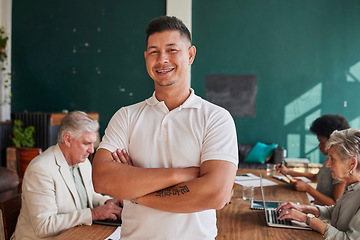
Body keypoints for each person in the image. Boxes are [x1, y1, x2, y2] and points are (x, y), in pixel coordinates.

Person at [92, 16, 238, 240]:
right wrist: (184, 174)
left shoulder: (216, 118)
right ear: (145, 58)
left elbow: (216, 194)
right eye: (153, 52)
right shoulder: (126, 116)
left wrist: (134, 194)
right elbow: (102, 179)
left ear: (190, 55)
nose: (162, 60)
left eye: (171, 50)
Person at [12, 111, 122, 239]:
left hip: (74, 235)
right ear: (68, 139)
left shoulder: (83, 162)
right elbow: (44, 226)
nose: (92, 150)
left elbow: (88, 197)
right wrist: (93, 214)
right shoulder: (40, 169)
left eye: (93, 143)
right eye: (86, 143)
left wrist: (110, 202)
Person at [276, 128, 360, 239]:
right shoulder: (351, 186)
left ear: (352, 164)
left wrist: (306, 219)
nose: (327, 164)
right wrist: (302, 208)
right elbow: (335, 212)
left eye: (332, 159)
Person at [276, 114, 349, 205]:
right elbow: (316, 177)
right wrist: (288, 172)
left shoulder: (340, 167)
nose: (319, 146)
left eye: (321, 142)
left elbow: (334, 204)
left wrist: (307, 188)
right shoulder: (329, 159)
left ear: (334, 141)